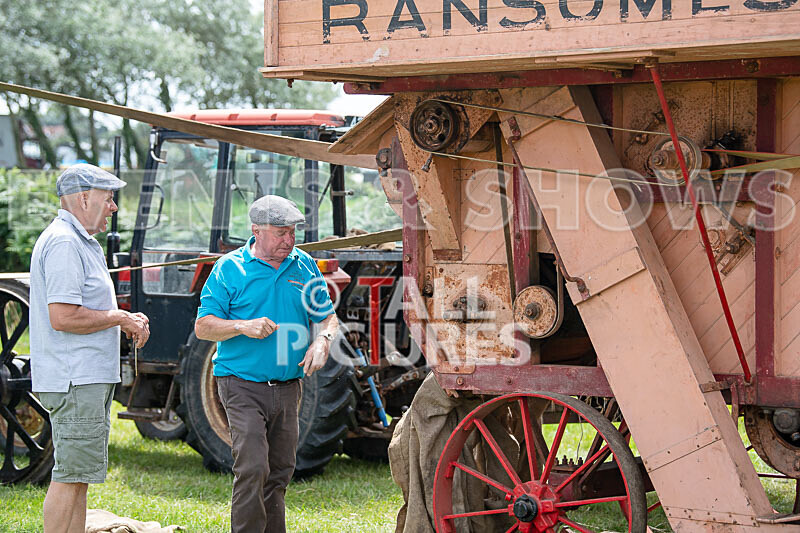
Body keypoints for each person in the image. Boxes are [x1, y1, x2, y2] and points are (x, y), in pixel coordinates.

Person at [195, 194, 339, 533]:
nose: (289, 241)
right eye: (280, 233)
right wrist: (242, 326)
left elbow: (328, 318)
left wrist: (323, 340)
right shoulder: (230, 268)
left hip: (288, 388)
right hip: (240, 383)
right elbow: (203, 327)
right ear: (256, 230)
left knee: (280, 470)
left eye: (292, 232)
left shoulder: (303, 264)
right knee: (253, 467)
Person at [30, 163, 151, 533]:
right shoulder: (65, 243)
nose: (113, 207)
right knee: (69, 476)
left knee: (78, 476)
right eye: (109, 198)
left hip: (82, 378)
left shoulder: (79, 241)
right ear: (84, 198)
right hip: (75, 379)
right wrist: (120, 318)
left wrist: (121, 317)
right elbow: (63, 317)